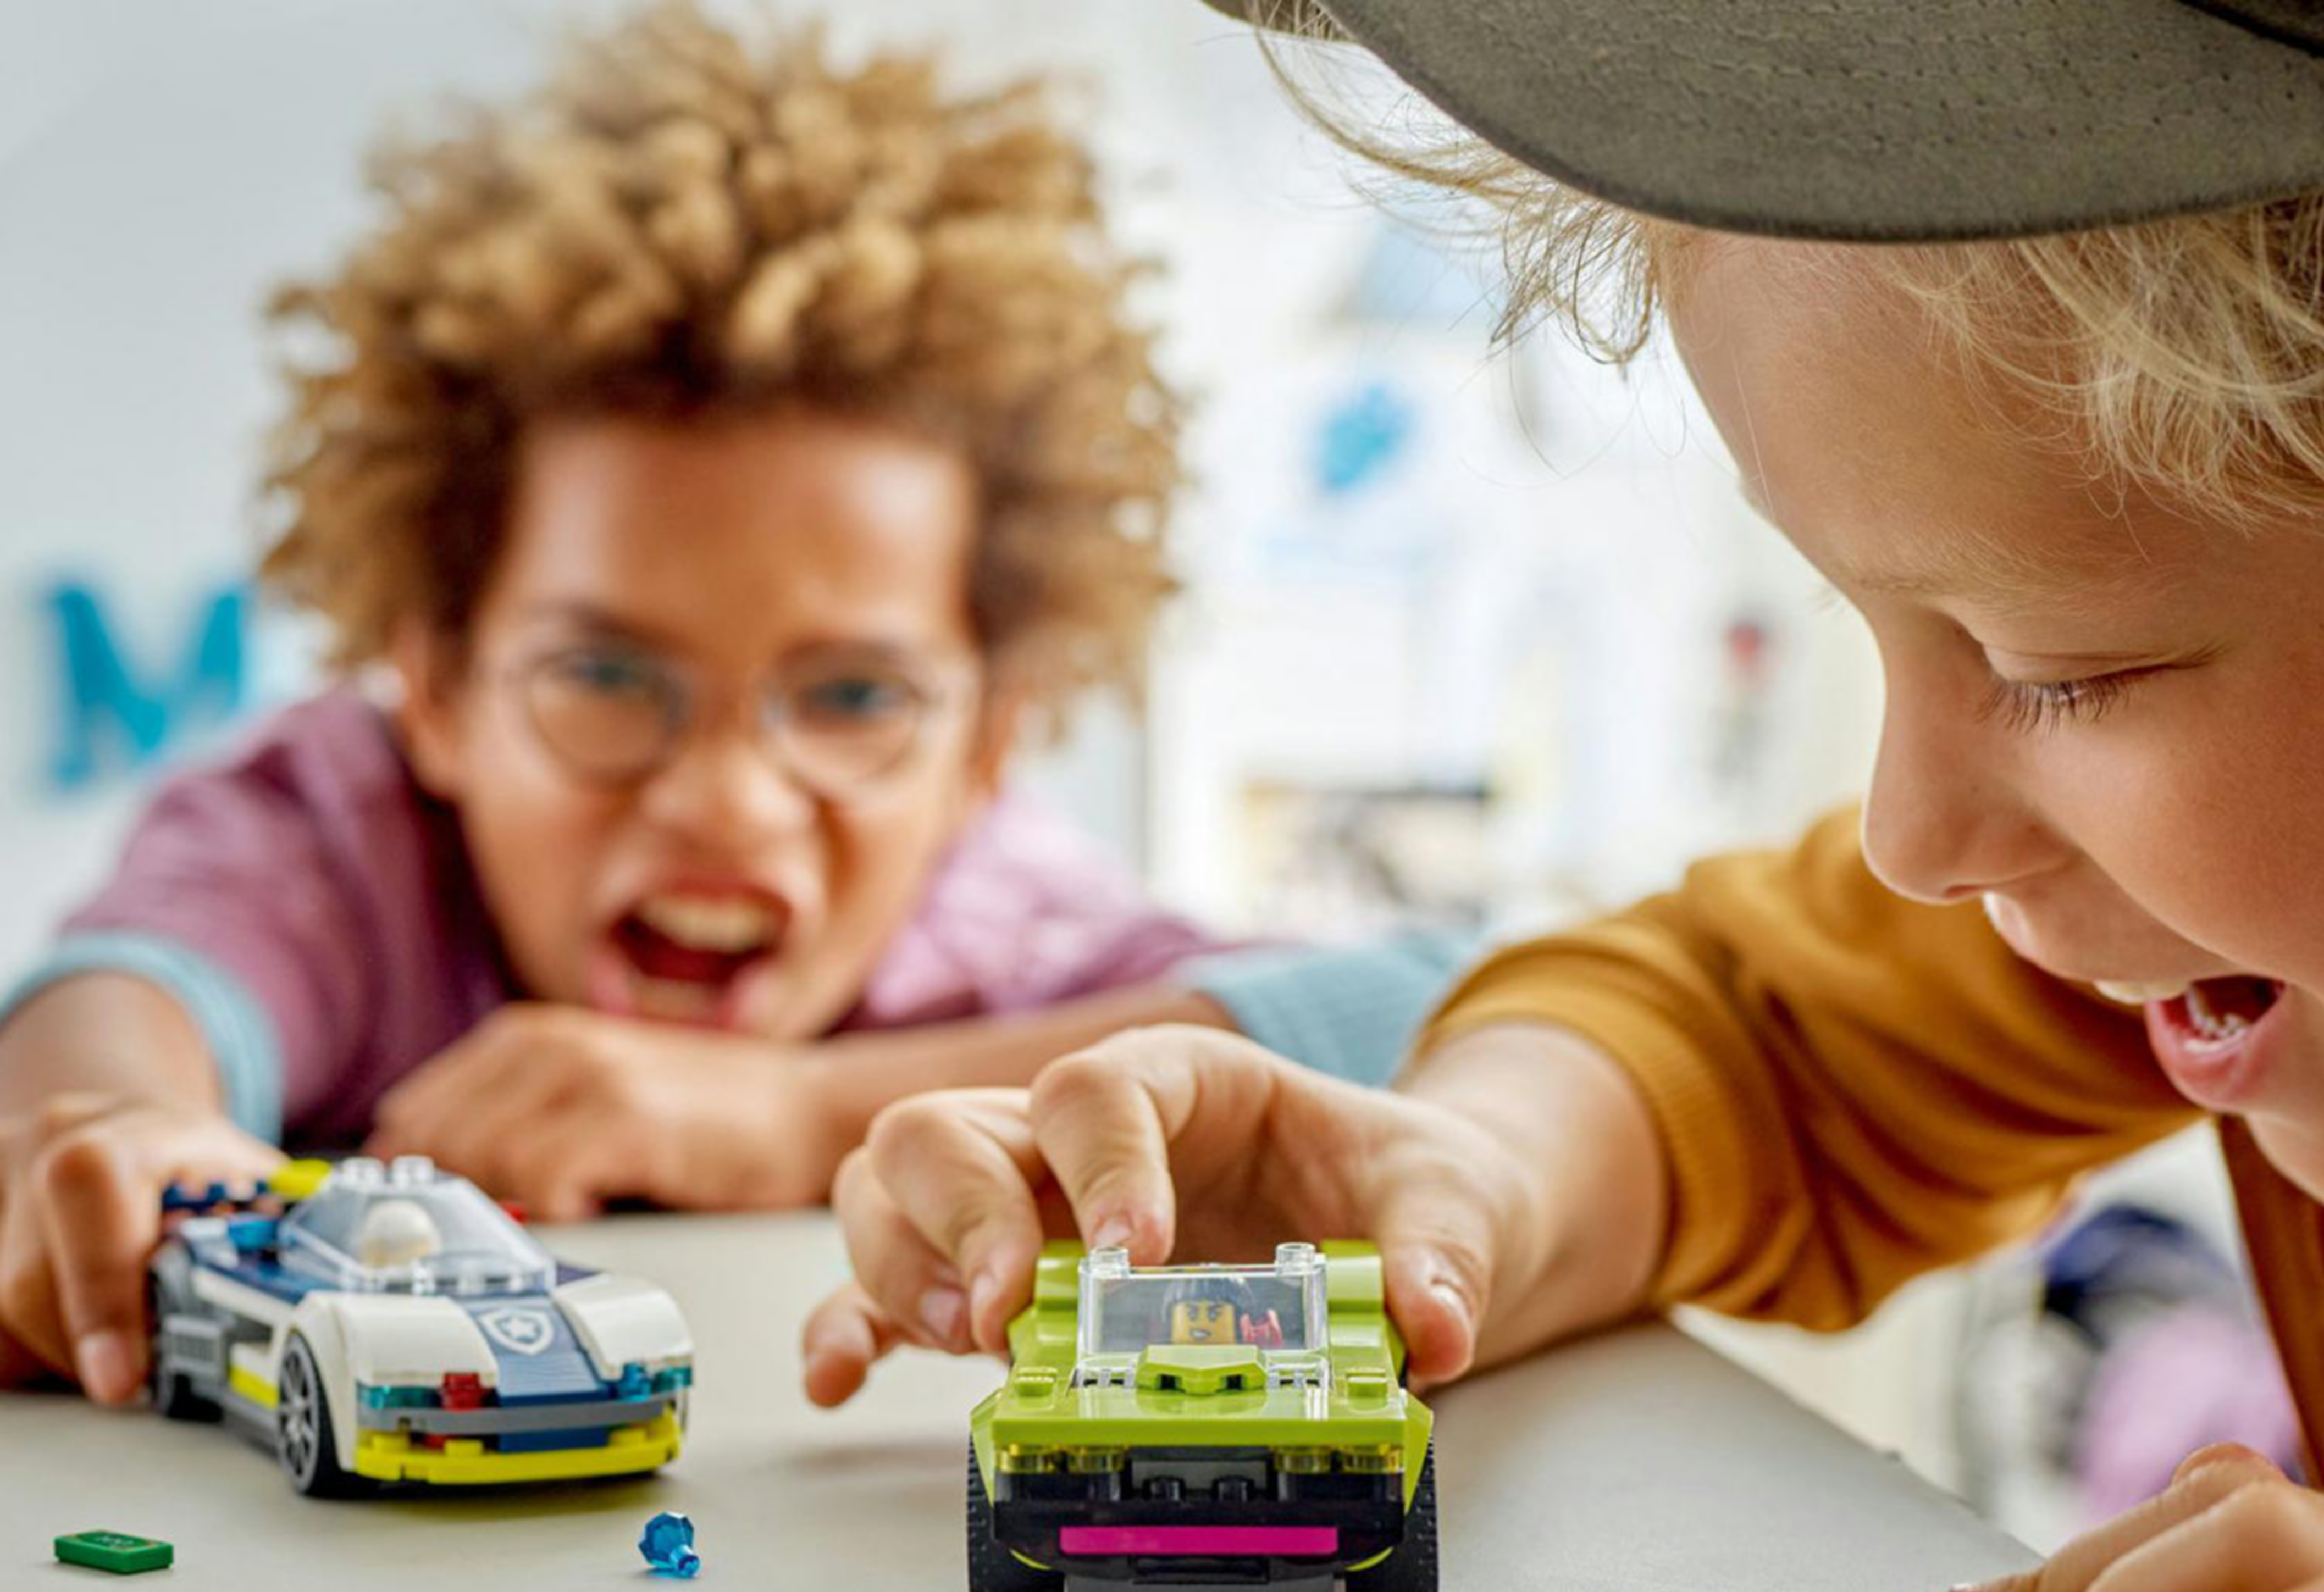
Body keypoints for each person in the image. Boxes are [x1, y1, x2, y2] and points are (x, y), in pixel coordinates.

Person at [808, 6, 2324, 1592]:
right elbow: (1762, 1032)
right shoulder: (2292, 931)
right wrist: (1468, 1181)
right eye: (1877, 630)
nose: (1907, 835)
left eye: (2054, 666)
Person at [0, 1, 1462, 1406]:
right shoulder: (338, 835)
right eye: (604, 676)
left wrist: (782, 1118)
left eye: (852, 695)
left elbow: (1431, 1012)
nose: (725, 801)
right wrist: (120, 1128)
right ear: (436, 685)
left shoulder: (995, 930)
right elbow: (137, 993)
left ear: (985, 749)